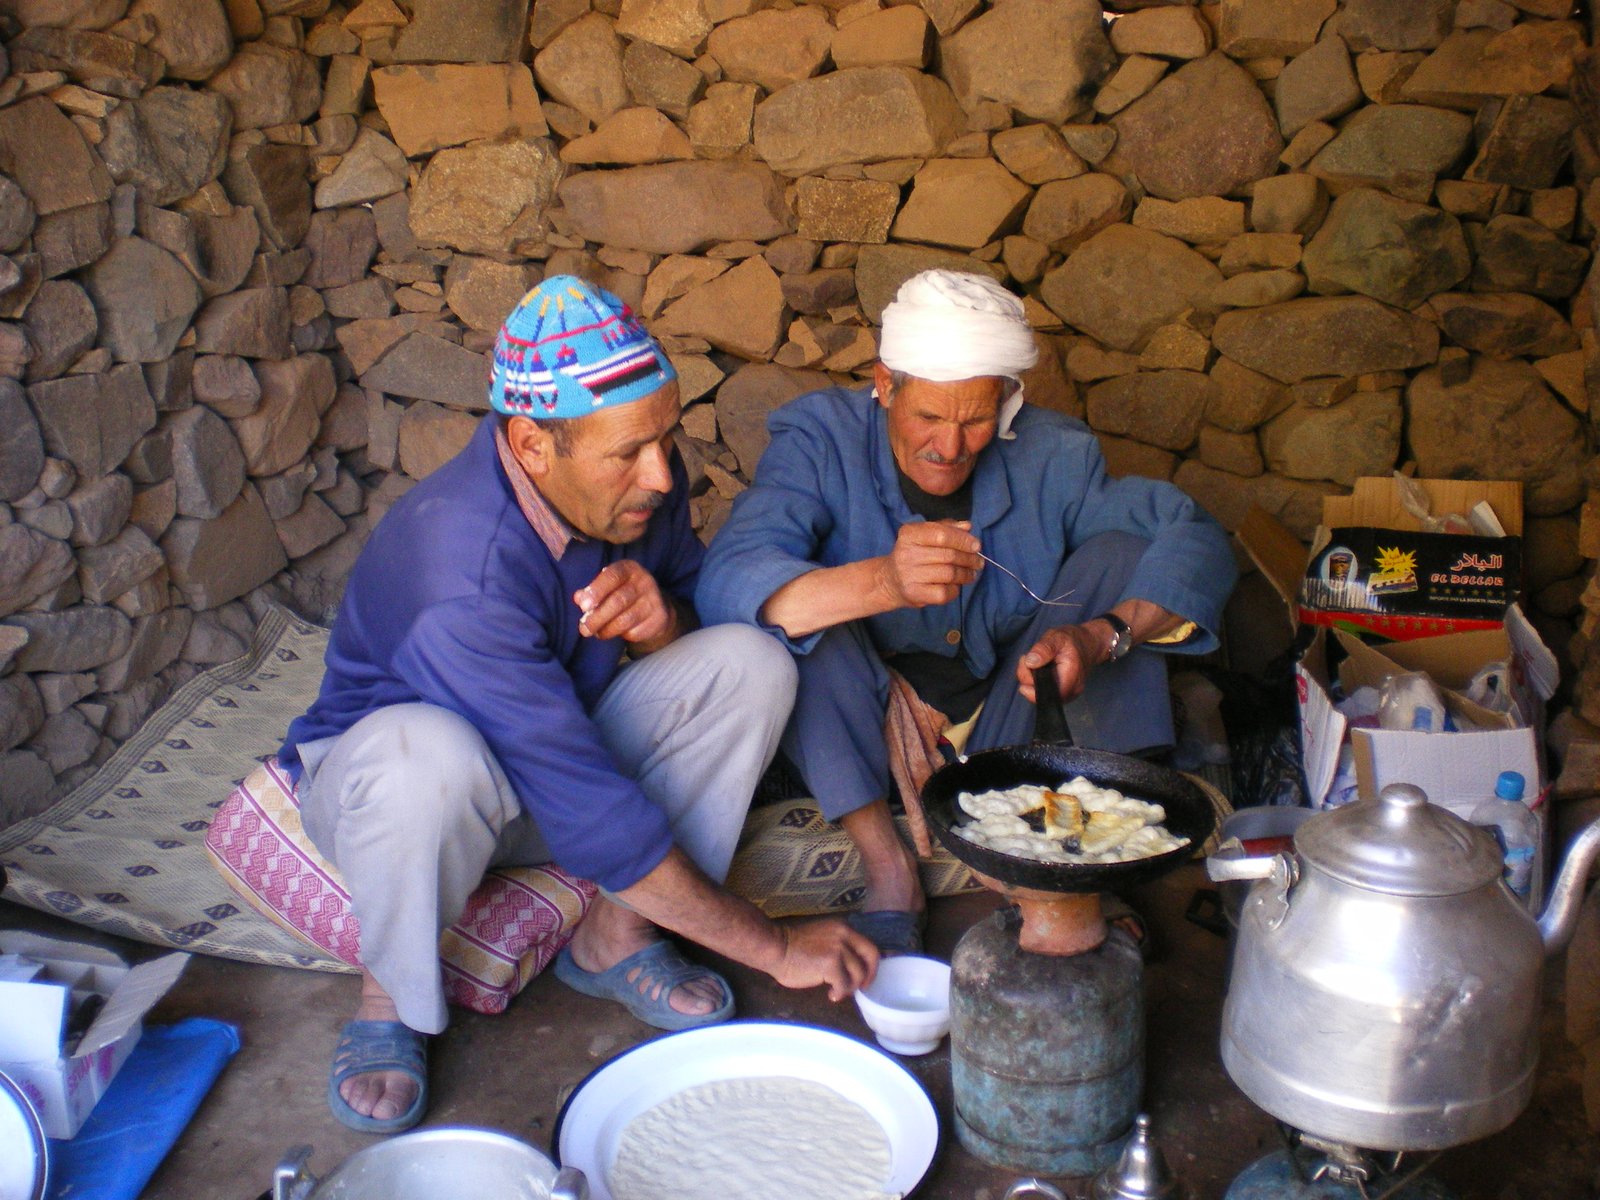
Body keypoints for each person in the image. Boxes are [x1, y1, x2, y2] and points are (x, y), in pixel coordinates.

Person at [279, 276, 876, 1134]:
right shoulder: (460, 569)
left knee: (751, 661)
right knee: (427, 756)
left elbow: (698, 604)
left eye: (666, 437)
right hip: (405, 795)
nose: (662, 473)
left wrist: (665, 624)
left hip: (549, 761)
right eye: (630, 451)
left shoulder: (637, 486)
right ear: (530, 445)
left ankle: (613, 939)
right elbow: (587, 804)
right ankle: (390, 999)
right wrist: (776, 949)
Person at [696, 270, 1237, 952]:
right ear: (885, 384)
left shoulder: (1055, 454)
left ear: (1008, 400)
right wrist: (881, 584)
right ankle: (887, 861)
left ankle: (1080, 851)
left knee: (1121, 551)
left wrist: (1102, 637)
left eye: (976, 420)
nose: (949, 448)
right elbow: (729, 577)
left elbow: (1189, 531)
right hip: (860, 716)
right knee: (801, 617)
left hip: (1005, 710)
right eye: (927, 416)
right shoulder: (820, 439)